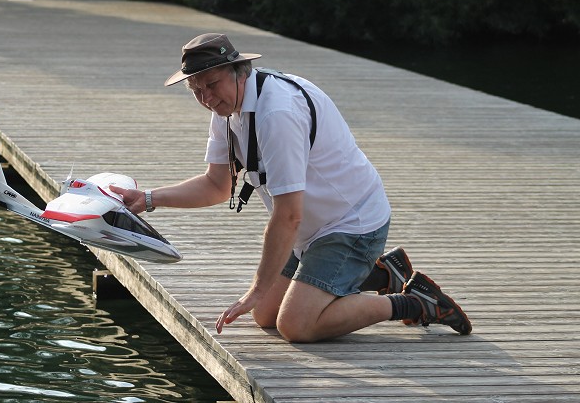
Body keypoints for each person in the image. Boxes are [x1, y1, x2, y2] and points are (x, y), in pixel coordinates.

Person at [112, 33, 471, 342]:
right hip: (312, 230)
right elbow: (217, 186)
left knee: (296, 325)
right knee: (265, 315)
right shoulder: (227, 109)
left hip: (351, 225)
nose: (206, 97)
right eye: (196, 89)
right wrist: (147, 199)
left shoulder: (276, 114)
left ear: (240, 72)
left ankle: (419, 302)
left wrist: (254, 289)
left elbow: (288, 216)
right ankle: (381, 274)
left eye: (212, 84)